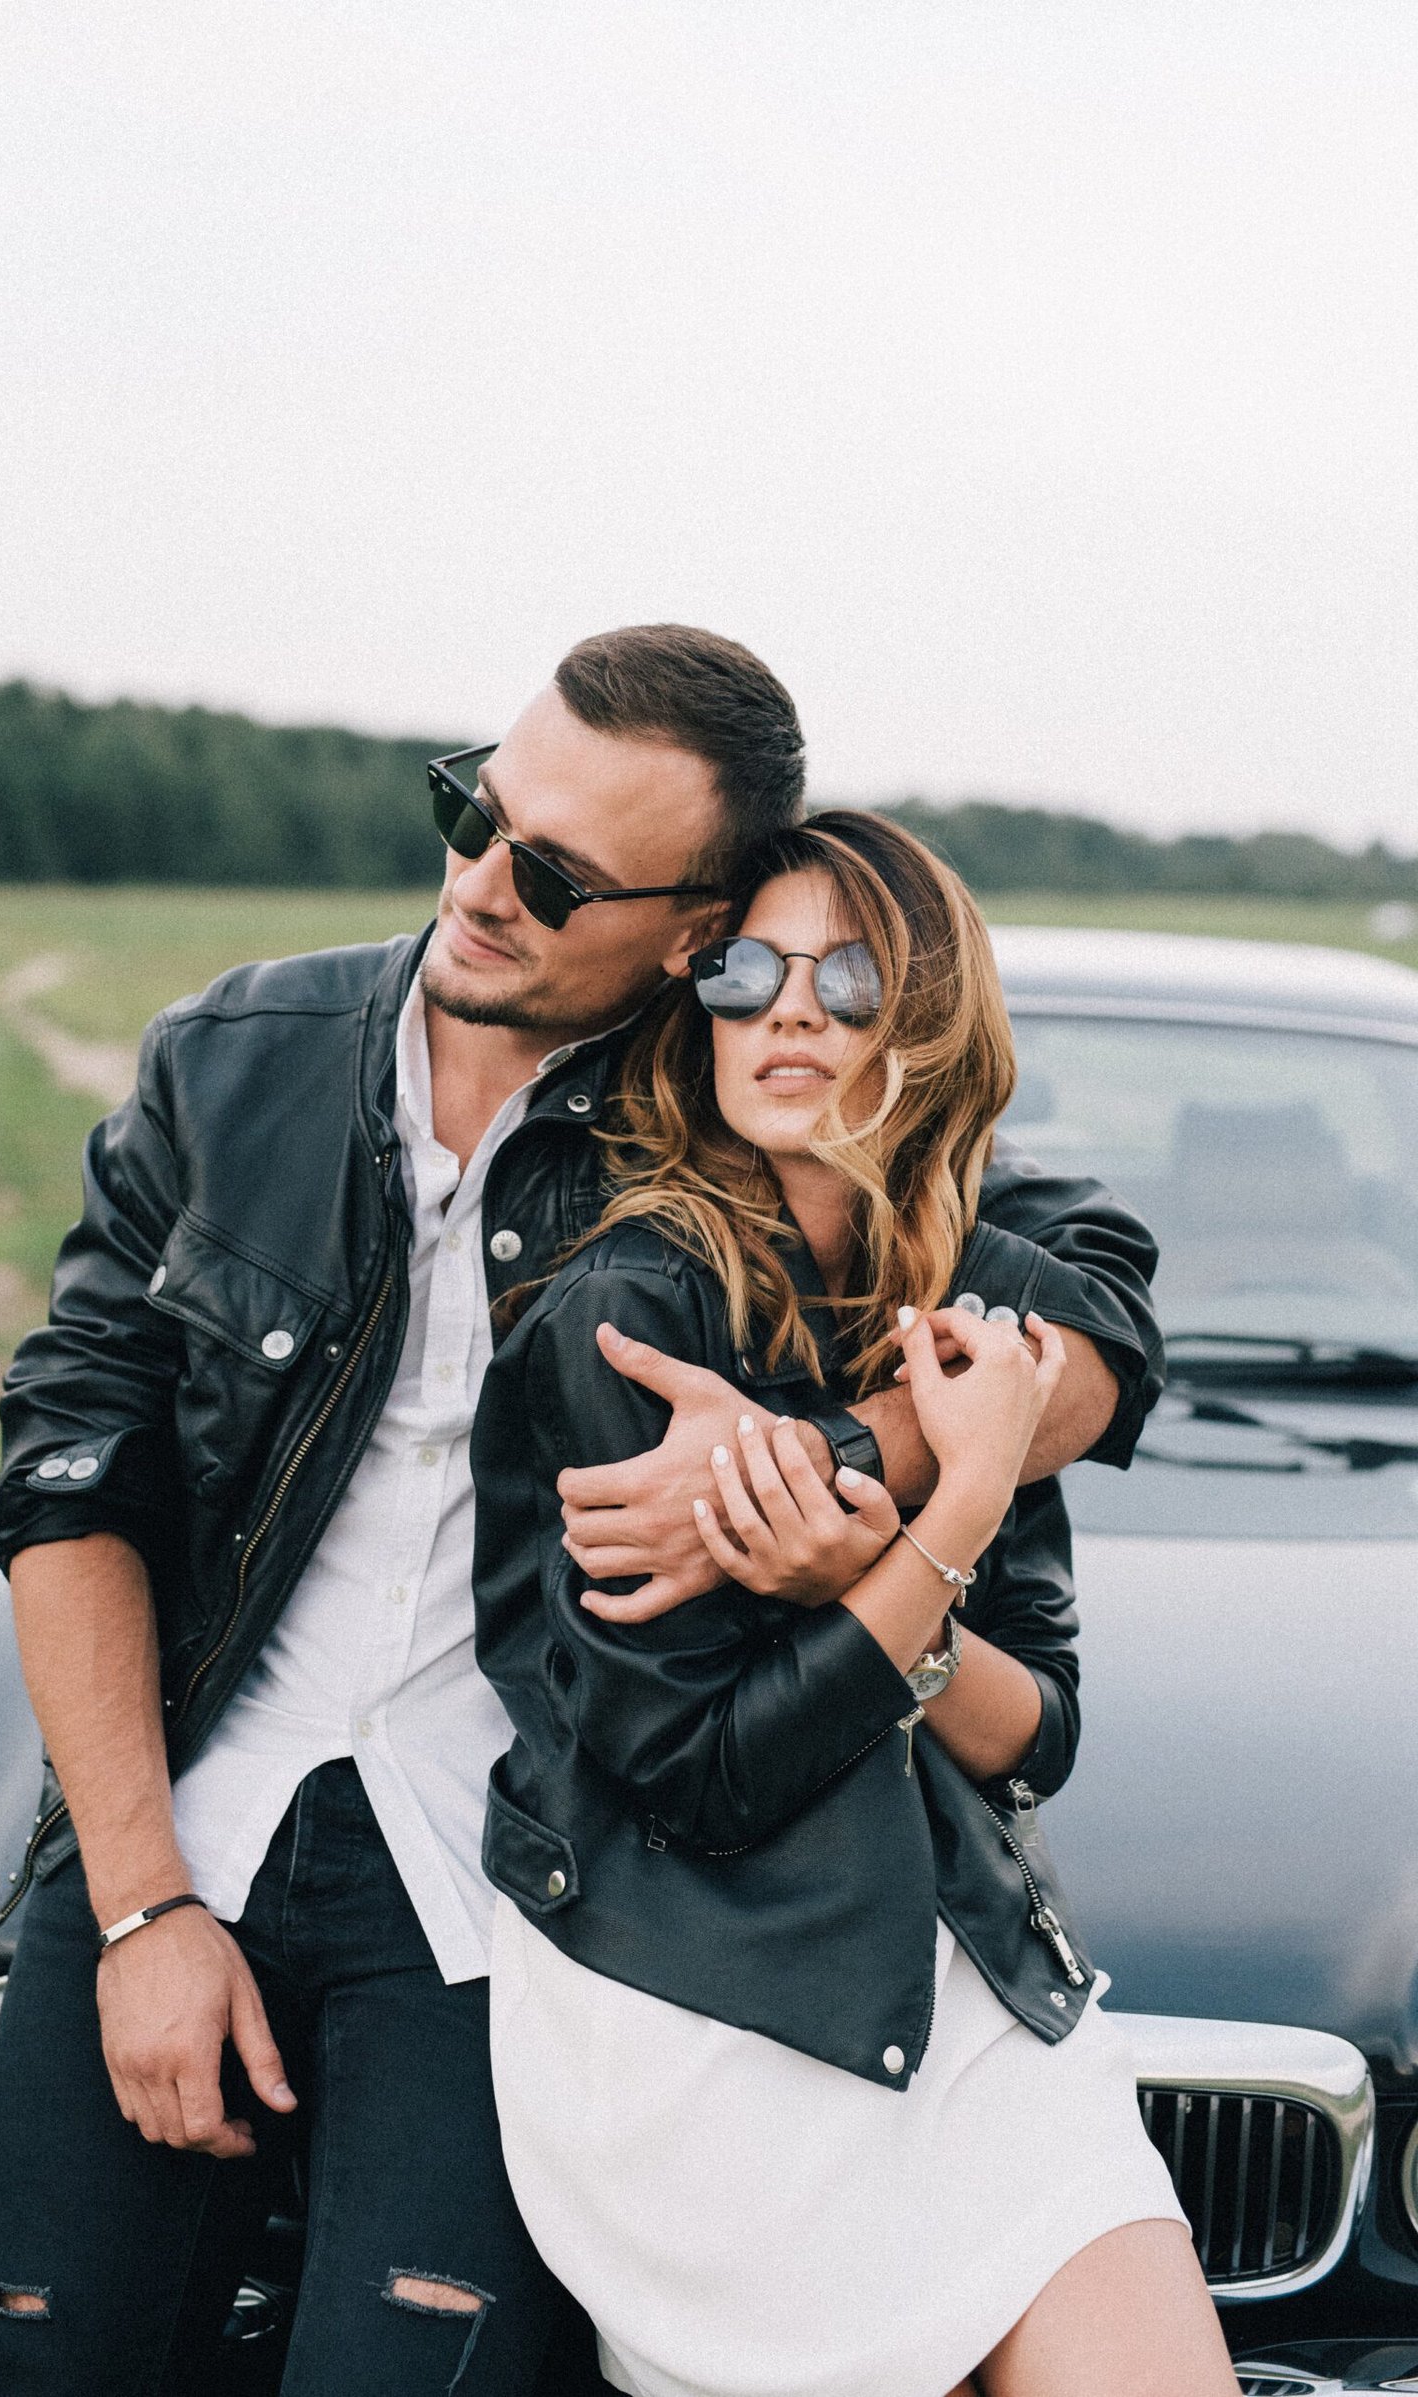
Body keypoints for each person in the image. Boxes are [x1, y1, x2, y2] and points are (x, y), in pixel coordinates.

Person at [0, 627, 1166, 2397]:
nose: (479, 884)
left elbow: (1089, 1297)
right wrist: (143, 1910)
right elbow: (70, 1460)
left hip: (505, 1871)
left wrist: (827, 1457)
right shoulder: (233, 1057)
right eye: (475, 810)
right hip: (180, 1802)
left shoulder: (727, 1108)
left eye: (553, 874)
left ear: (693, 932)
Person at [472, 811, 1239, 2397]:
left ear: (932, 1014)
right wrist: (949, 1507)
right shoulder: (630, 1307)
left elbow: (1037, 1732)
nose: (792, 1009)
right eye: (747, 970)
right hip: (699, 2002)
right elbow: (701, 1774)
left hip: (967, 1980)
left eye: (849, 972)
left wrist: (878, 1579)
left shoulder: (976, 1292)